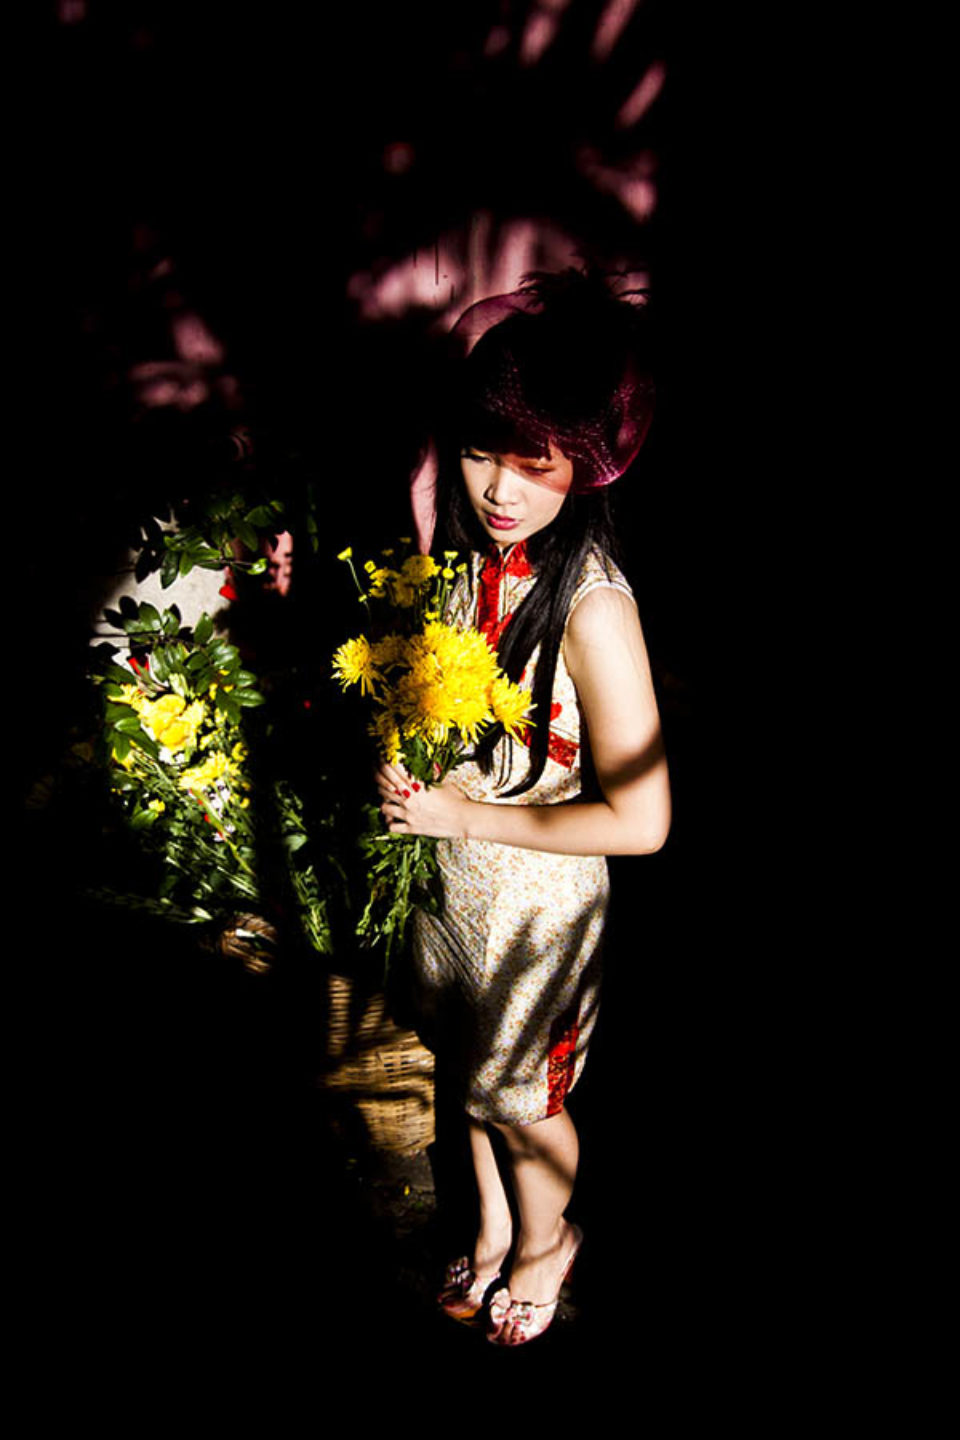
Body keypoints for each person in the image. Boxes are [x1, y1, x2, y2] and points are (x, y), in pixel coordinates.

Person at [375, 269, 671, 1346]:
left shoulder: (591, 609)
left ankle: (552, 1243)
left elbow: (644, 823)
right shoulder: (476, 558)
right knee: (474, 1068)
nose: (500, 487)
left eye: (531, 461)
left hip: (536, 906)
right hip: (459, 889)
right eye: (480, 451)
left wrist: (469, 817)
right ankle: (498, 1223)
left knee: (529, 1098)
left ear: (582, 465)